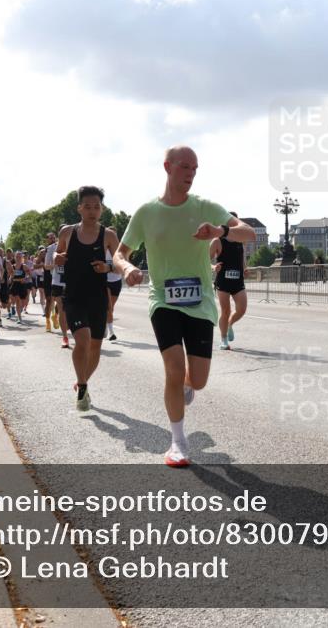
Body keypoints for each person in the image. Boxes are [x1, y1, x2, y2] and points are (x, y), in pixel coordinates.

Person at [115, 145, 256, 467]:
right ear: (167, 167)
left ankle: (189, 386)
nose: (190, 174)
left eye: (195, 168)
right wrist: (127, 269)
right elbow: (120, 253)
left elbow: (247, 234)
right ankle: (178, 442)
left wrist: (220, 231)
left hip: (201, 303)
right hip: (163, 300)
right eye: (184, 167)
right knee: (174, 369)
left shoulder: (205, 206)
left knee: (199, 379)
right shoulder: (146, 213)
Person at [54, 188, 123, 411]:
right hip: (74, 296)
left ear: (101, 209)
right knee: (82, 341)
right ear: (79, 208)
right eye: (88, 207)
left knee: (95, 347)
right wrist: (58, 258)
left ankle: (83, 382)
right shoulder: (67, 232)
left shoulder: (109, 236)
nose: (93, 211)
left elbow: (122, 262)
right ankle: (82, 386)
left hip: (97, 298)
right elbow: (56, 254)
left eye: (97, 207)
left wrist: (108, 266)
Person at [210, 212, 248, 350]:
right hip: (223, 282)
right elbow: (204, 260)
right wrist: (213, 266)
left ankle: (230, 324)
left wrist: (245, 268)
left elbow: (242, 258)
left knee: (242, 309)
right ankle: (224, 339)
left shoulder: (240, 241)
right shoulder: (217, 241)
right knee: (225, 311)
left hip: (238, 281)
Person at [104, 244, 122, 341]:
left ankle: (105, 325)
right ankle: (111, 333)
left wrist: (108, 268)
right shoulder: (103, 252)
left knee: (111, 308)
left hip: (117, 282)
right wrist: (112, 268)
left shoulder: (119, 253)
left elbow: (120, 270)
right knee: (109, 307)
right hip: (106, 282)